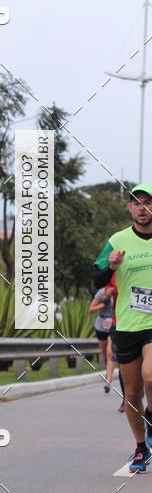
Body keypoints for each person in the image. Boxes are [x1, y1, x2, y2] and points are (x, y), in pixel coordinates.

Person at [94, 184, 152, 472]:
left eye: (148, 202)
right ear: (130, 208)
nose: (142, 208)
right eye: (137, 203)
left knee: (150, 375)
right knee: (131, 392)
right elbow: (96, 280)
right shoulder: (117, 240)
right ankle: (141, 447)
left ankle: (151, 416)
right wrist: (112, 267)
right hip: (127, 325)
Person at [104, 272, 125, 410]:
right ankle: (128, 397)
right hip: (121, 323)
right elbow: (106, 292)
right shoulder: (116, 272)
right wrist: (108, 294)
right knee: (123, 363)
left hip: (146, 324)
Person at [87, 285, 114, 386]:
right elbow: (90, 310)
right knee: (105, 354)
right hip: (101, 325)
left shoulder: (120, 290)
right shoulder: (101, 292)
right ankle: (108, 371)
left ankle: (108, 379)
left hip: (113, 324)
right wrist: (103, 304)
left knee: (110, 351)